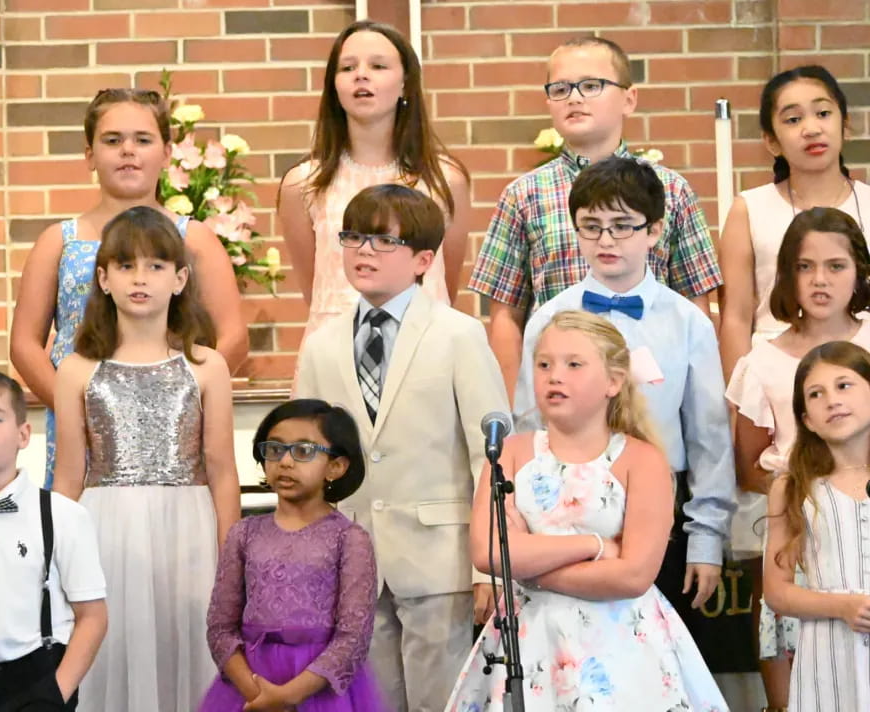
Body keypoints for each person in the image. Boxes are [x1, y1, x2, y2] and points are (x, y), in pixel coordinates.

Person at [295, 184, 509, 712]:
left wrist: (490, 568)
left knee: (444, 702)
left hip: (441, 558)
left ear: (422, 260)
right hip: (353, 560)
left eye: (382, 241)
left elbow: (491, 456)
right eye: (354, 237)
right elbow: (306, 456)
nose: (364, 251)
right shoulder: (322, 343)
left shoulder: (458, 335)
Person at [447, 311, 728, 710]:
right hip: (531, 641)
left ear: (613, 381)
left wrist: (531, 569)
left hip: (622, 647)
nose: (554, 376)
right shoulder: (510, 454)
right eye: (544, 364)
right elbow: (491, 552)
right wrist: (594, 545)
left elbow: (632, 575)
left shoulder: (642, 460)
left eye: (574, 364)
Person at [514, 156, 735, 644]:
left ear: (654, 231)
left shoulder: (686, 321)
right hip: (564, 511)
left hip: (661, 511)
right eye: (591, 227)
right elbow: (526, 428)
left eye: (621, 226)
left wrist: (706, 540)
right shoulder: (549, 319)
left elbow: (709, 437)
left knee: (655, 653)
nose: (606, 241)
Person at [51, 206, 241, 712]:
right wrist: (51, 557)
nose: (140, 278)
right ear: (103, 278)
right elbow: (68, 475)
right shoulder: (75, 370)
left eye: (156, 266)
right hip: (104, 526)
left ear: (180, 280)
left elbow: (222, 471)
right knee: (115, 644)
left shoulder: (207, 366)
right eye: (126, 266)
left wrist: (233, 560)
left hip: (187, 526)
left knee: (188, 643)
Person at [10, 87, 246, 489]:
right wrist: (76, 409)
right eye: (113, 140)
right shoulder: (59, 241)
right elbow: (24, 344)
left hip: (174, 431)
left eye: (142, 140)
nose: (128, 151)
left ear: (167, 153)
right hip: (81, 432)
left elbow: (234, 337)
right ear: (89, 155)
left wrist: (185, 403)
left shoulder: (196, 239)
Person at [469, 36, 721, 399]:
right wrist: (518, 405)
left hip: (652, 387)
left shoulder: (671, 189)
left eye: (591, 86)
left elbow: (695, 300)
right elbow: (506, 314)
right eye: (561, 88)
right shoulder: (523, 194)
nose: (574, 97)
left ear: (629, 99)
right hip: (558, 387)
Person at [726, 207, 870, 709]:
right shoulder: (761, 361)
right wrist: (808, 501)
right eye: (805, 267)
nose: (820, 280)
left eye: (836, 266)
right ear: (786, 275)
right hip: (801, 535)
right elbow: (747, 463)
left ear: (859, 271)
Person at [278, 19, 471, 350]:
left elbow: (444, 284)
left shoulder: (444, 180)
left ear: (406, 85)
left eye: (378, 66)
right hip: (336, 352)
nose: (361, 75)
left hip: (424, 350)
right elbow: (315, 287)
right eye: (347, 67)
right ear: (334, 87)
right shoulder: (303, 184)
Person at [201, 399, 387, 712]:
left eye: (303, 451)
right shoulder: (244, 533)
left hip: (318, 688)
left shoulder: (349, 538)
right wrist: (258, 694)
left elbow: (353, 637)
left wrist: (288, 696)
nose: (285, 461)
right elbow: (220, 626)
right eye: (275, 449)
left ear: (336, 466)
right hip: (251, 685)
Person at [0, 371, 106, 712]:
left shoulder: (63, 515)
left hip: (40, 681)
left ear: (23, 434)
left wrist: (56, 693)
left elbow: (92, 617)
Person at [719, 65, 870, 381]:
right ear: (772, 141)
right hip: (777, 372)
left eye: (823, 113)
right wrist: (741, 401)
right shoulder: (749, 209)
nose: (811, 128)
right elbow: (736, 317)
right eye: (793, 119)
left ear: (845, 124)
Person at [764, 340, 870, 710]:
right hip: (830, 652)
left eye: (844, 385)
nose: (832, 400)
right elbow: (777, 592)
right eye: (816, 393)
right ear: (806, 418)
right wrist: (843, 606)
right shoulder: (793, 489)